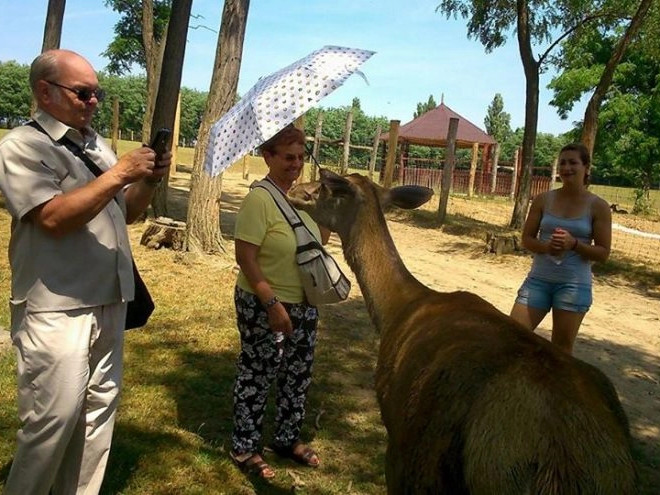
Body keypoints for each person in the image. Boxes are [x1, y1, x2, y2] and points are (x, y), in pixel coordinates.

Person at [0, 49, 171, 494]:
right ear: (45, 92)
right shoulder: (23, 146)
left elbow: (127, 213)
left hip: (109, 299)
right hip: (57, 309)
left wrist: (147, 180)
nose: (93, 101)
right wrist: (118, 174)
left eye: (97, 92)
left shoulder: (95, 144)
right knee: (50, 423)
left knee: (97, 417)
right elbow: (53, 218)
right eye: (83, 93)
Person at [230, 124, 329, 479]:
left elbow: (318, 244)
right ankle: (245, 447)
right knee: (258, 373)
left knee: (297, 374)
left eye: (301, 157)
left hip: (304, 302)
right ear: (267, 156)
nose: (296, 164)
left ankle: (287, 439)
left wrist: (325, 211)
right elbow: (246, 257)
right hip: (264, 302)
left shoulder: (301, 198)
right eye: (288, 157)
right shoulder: (260, 199)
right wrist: (272, 304)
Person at [510, 143, 612, 354]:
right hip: (537, 281)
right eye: (562, 163)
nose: (566, 168)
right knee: (511, 337)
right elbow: (527, 239)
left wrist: (574, 244)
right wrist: (547, 247)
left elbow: (603, 253)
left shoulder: (598, 206)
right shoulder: (543, 199)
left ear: (586, 168)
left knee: (561, 352)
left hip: (573, 287)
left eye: (573, 162)